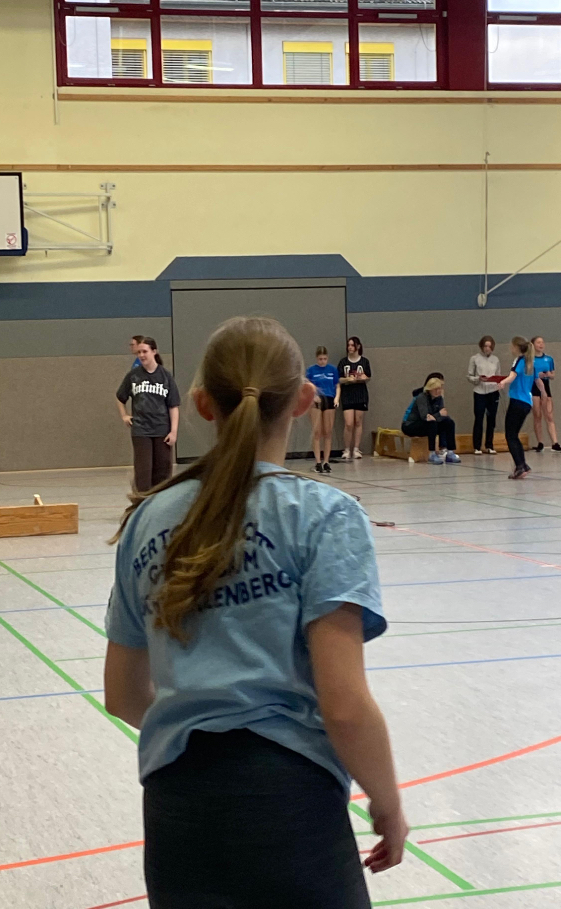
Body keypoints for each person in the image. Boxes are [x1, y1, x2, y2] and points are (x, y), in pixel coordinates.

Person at [104, 316, 407, 909]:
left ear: (201, 404)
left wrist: (204, 721)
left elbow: (122, 695)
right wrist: (388, 803)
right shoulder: (324, 514)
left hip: (177, 810)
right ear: (304, 400)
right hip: (290, 801)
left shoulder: (148, 518)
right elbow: (344, 704)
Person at [116, 338, 180, 494]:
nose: (141, 355)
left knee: (162, 473)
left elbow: (173, 406)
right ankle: (142, 502)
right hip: (141, 430)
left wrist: (173, 432)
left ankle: (161, 502)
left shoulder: (165, 376)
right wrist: (124, 416)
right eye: (139, 352)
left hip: (162, 430)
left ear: (154, 352)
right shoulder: (133, 376)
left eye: (145, 351)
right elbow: (120, 397)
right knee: (143, 473)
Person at [497, 336, 545, 480]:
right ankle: (523, 465)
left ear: (516, 347)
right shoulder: (531, 362)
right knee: (514, 434)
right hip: (527, 403)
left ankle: (520, 466)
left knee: (510, 435)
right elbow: (538, 381)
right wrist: (544, 394)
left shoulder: (519, 360)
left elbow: (512, 376)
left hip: (517, 401)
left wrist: (503, 382)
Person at [401, 376, 460, 465]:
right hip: (411, 425)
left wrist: (436, 416)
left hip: (429, 423)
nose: (438, 391)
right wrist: (438, 414)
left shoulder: (439, 398)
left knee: (449, 422)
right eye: (435, 389)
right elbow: (425, 416)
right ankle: (432, 453)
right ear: (429, 389)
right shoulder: (421, 397)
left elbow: (443, 415)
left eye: (439, 389)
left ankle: (450, 452)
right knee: (432, 423)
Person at [306, 346, 340, 474]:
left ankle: (326, 461)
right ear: (317, 358)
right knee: (317, 432)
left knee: (328, 432)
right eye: (320, 359)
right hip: (317, 400)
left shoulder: (332, 369)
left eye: (324, 359)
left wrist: (337, 398)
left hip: (329, 399)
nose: (322, 361)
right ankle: (317, 461)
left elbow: (337, 385)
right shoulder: (311, 370)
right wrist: (313, 396)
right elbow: (307, 386)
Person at [338, 337, 372, 460]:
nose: (350, 348)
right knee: (348, 423)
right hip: (347, 394)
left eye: (352, 345)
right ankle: (347, 449)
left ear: (358, 346)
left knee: (358, 422)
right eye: (349, 345)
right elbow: (338, 379)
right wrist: (347, 379)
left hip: (360, 394)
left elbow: (368, 377)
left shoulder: (364, 361)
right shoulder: (343, 362)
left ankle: (356, 449)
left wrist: (363, 378)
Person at [467, 336, 501, 455]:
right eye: (485, 346)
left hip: (493, 391)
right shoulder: (474, 358)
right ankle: (477, 446)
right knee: (479, 418)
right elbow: (469, 376)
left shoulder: (496, 359)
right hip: (479, 392)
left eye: (490, 346)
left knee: (491, 419)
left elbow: (498, 375)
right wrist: (478, 379)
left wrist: (499, 383)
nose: (487, 348)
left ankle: (489, 445)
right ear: (482, 346)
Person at [531, 336, 561, 453]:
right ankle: (540, 442)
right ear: (533, 345)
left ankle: (555, 443)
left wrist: (548, 375)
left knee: (549, 416)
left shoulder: (549, 359)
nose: (541, 344)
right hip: (534, 387)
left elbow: (553, 375)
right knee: (537, 415)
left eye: (542, 342)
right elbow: (527, 374)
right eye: (538, 342)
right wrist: (537, 375)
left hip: (546, 386)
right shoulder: (529, 359)